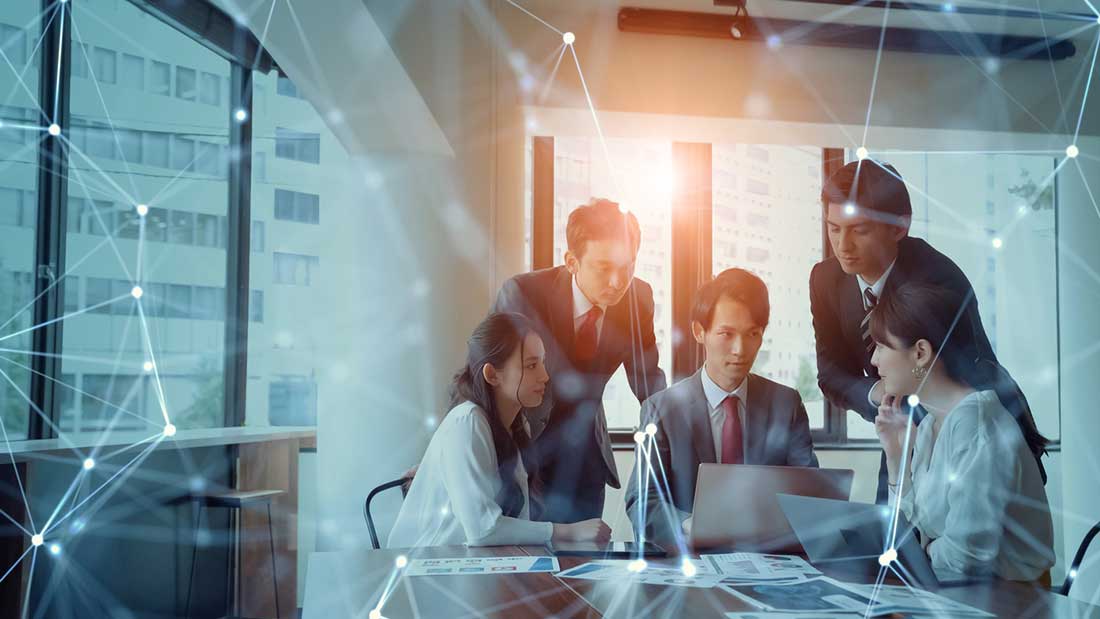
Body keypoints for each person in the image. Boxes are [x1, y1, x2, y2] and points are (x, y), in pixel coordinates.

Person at [809, 159, 1046, 503]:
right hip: (901, 418)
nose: (842, 245)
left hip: (969, 424)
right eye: (834, 228)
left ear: (899, 227)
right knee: (892, 537)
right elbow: (830, 374)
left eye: (859, 231)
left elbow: (965, 378)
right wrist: (881, 394)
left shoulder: (938, 280)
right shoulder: (826, 280)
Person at [492, 198, 666, 523]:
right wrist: (449, 449)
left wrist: (683, 442)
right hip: (522, 452)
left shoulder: (638, 300)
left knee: (584, 568)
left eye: (627, 267)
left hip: (584, 463)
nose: (618, 282)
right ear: (572, 261)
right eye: (604, 269)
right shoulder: (522, 295)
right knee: (523, 567)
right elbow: (481, 375)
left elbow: (650, 384)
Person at [870, 283, 1054, 582]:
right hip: (956, 593)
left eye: (881, 346)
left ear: (920, 352)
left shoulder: (976, 424)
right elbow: (907, 536)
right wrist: (896, 457)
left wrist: (925, 550)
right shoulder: (931, 425)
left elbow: (965, 558)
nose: (874, 361)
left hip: (1011, 601)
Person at [625, 268, 818, 548]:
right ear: (699, 331)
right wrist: (689, 525)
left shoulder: (785, 405)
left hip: (768, 561)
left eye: (752, 334)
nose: (740, 349)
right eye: (726, 334)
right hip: (691, 562)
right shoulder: (662, 409)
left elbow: (809, 494)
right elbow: (642, 500)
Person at [388, 312, 612, 547]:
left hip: (476, 566)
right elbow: (483, 530)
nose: (545, 376)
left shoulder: (515, 425)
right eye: (532, 365)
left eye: (543, 363)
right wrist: (566, 532)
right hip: (428, 568)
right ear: (492, 375)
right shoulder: (467, 422)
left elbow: (511, 524)